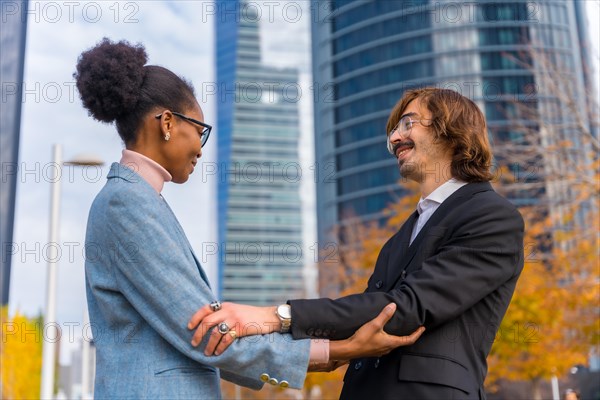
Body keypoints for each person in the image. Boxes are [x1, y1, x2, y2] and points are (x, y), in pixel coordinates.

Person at [77, 38, 424, 399]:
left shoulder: (141, 200)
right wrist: (339, 351)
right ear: (167, 122)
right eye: (200, 130)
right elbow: (205, 333)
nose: (200, 148)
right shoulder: (127, 204)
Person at [189, 88, 525, 399]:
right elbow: (362, 319)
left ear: (452, 129)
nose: (395, 138)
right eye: (393, 130)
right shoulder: (399, 238)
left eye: (408, 123)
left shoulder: (493, 216)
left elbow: (405, 309)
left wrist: (273, 316)